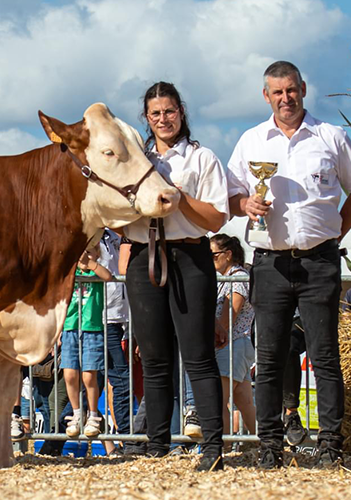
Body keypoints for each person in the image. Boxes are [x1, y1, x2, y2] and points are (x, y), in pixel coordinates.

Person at [226, 61, 351, 468]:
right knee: (269, 359)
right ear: (266, 96)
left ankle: (330, 445)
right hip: (270, 263)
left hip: (319, 262)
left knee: (324, 357)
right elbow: (231, 196)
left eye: (291, 90)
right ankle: (270, 445)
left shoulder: (332, 137)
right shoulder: (251, 141)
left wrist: (334, 233)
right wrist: (245, 204)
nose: (285, 98)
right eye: (277, 92)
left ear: (303, 89)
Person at [123, 81, 229, 472]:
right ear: (146, 119)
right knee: (154, 359)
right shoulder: (135, 158)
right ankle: (157, 446)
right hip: (144, 255)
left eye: (169, 111)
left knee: (198, 355)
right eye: (156, 114)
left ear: (181, 113)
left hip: (189, 253)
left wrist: (181, 199)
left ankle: (213, 446)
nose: (163, 119)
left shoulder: (202, 159)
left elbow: (217, 217)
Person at [59, 245, 113, 447]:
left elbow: (108, 276)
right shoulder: (70, 272)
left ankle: (92, 415)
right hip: (70, 327)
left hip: (91, 328)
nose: (84, 255)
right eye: (82, 251)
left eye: (90, 252)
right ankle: (76, 413)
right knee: (69, 374)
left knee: (89, 375)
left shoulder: (96, 270)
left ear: (98, 254)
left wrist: (90, 263)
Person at [209, 234, 257, 438]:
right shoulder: (230, 277)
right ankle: (264, 444)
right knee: (245, 404)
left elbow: (228, 318)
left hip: (231, 346)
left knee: (218, 402)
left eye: (213, 255)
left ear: (227, 255)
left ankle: (223, 448)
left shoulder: (236, 278)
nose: (209, 259)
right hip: (237, 346)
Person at [98, 229, 133, 438]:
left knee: (95, 380)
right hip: (101, 317)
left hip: (119, 317)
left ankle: (127, 437)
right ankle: (127, 437)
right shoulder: (90, 238)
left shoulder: (115, 238)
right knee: (119, 379)